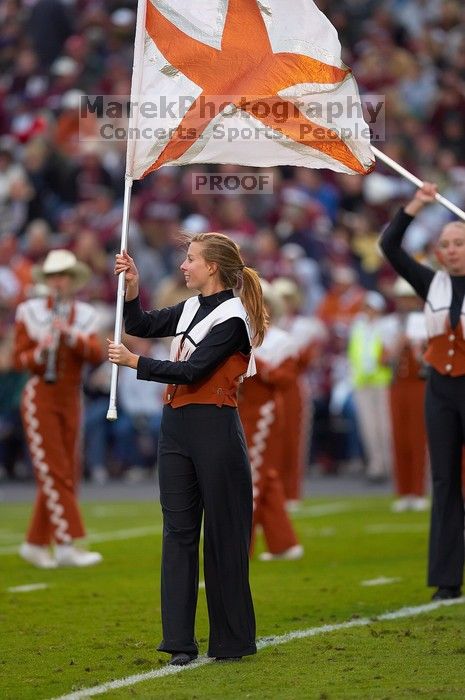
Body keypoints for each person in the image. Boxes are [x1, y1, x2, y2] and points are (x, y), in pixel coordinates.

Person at [108, 234, 267, 666]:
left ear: (212, 266)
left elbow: (195, 370)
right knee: (177, 532)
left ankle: (232, 641)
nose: (183, 265)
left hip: (214, 426)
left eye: (191, 258)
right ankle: (179, 642)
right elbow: (138, 326)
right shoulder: (191, 307)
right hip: (176, 426)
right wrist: (133, 288)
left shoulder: (234, 317)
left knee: (223, 535)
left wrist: (135, 363)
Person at [380, 181, 465, 600]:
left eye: (459, 243)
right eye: (445, 244)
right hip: (442, 391)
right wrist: (416, 203)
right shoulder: (432, 285)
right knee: (445, 480)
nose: (450, 250)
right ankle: (447, 580)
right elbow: (390, 246)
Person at [13, 249, 104, 568]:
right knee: (54, 470)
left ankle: (35, 543)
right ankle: (66, 544)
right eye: (53, 277)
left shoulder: (86, 315)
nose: (58, 282)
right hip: (41, 396)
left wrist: (71, 336)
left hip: (71, 397)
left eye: (63, 276)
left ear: (72, 280)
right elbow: (17, 359)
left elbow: (95, 354)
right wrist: (41, 352)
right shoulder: (29, 311)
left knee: (68, 470)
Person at [239, 281, 303, 561]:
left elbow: (286, 379)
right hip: (240, 412)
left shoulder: (280, 340)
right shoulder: (239, 335)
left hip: (263, 414)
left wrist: (258, 365)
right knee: (266, 480)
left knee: (251, 478)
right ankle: (283, 543)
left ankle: (244, 544)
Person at [388, 277, 429, 513]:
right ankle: (403, 491)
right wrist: (396, 344)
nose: (405, 303)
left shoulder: (425, 323)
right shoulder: (389, 324)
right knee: (399, 439)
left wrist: (415, 346)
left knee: (417, 438)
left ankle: (418, 491)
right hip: (397, 385)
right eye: (402, 299)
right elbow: (383, 359)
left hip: (418, 385)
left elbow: (426, 359)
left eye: (409, 298)